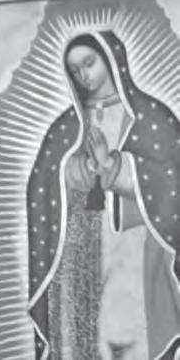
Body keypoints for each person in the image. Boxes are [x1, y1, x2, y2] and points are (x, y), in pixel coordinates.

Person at [27, 31, 180, 359]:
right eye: (75, 70)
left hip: (134, 248)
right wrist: (74, 172)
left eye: (89, 63)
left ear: (112, 60)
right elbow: (42, 187)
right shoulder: (66, 127)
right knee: (82, 339)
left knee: (128, 334)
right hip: (79, 249)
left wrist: (114, 166)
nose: (84, 75)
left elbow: (172, 182)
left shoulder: (153, 117)